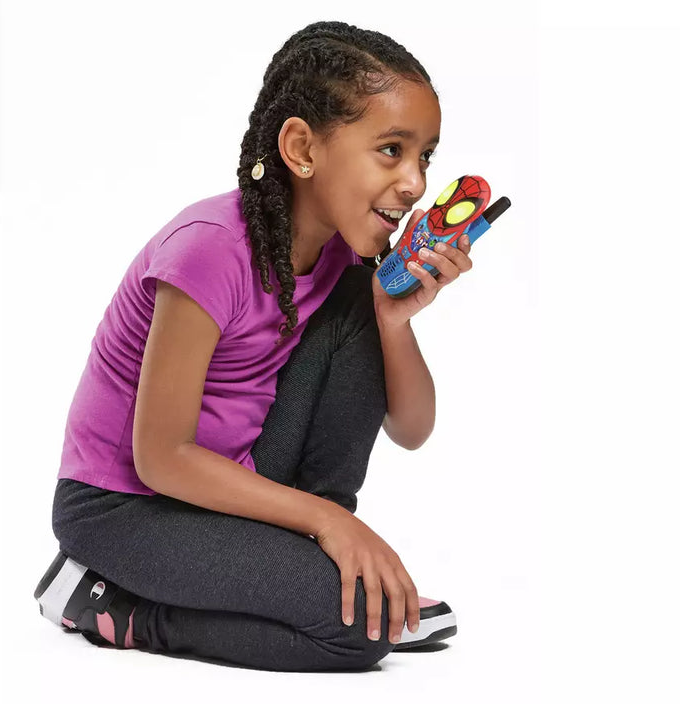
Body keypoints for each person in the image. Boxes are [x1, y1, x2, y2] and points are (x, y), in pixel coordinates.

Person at [35, 20, 474, 672]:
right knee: (357, 634)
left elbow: (412, 430)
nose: (414, 182)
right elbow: (161, 458)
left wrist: (394, 319)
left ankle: (325, 571)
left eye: (425, 157)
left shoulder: (342, 255)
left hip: (231, 482)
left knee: (363, 298)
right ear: (301, 148)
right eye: (391, 150)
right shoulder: (210, 248)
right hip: (125, 506)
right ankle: (108, 602)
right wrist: (332, 523)